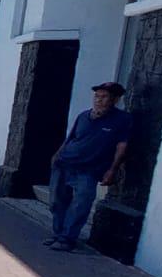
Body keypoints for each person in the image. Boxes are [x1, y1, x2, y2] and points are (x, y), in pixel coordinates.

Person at [46, 82, 132, 252]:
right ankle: (58, 234)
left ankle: (67, 239)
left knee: (80, 205)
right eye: (97, 96)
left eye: (104, 97)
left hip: (89, 169)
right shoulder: (83, 116)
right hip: (64, 163)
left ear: (115, 99)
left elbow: (122, 146)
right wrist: (57, 155)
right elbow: (71, 138)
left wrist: (112, 169)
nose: (99, 100)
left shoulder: (122, 120)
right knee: (56, 201)